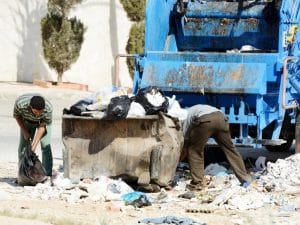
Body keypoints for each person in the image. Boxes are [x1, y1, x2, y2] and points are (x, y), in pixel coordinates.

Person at [182, 104, 252, 191]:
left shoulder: (183, 119)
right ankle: (245, 180)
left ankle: (197, 183)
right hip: (222, 118)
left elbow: (185, 141)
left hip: (205, 120)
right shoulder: (191, 110)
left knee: (194, 150)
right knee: (230, 149)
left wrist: (180, 156)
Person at [13, 94, 53, 176]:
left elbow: (42, 126)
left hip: (42, 123)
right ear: (30, 106)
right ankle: (23, 173)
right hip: (27, 120)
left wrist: (34, 145)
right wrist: (24, 131)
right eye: (35, 112)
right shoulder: (20, 104)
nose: (38, 114)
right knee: (23, 148)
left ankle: (47, 174)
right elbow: (17, 116)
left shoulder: (48, 108)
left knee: (45, 146)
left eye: (40, 112)